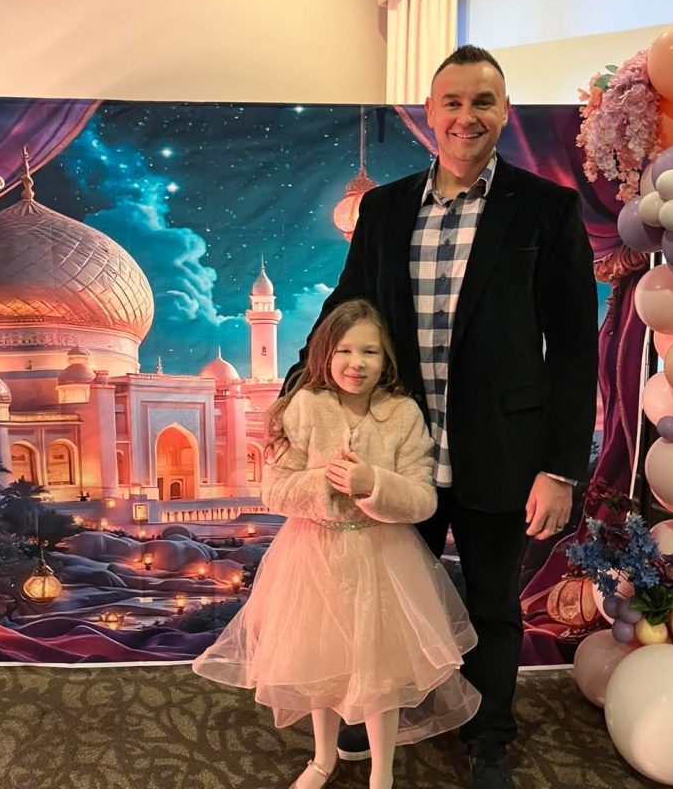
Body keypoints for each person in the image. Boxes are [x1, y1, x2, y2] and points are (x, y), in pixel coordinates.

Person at [285, 46, 599, 788]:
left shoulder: (546, 208)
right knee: (383, 604)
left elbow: (574, 348)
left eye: (482, 102)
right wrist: (296, 390)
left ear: (504, 111)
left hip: (502, 451)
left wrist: (559, 470)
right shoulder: (385, 209)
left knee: (491, 604)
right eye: (452, 102)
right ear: (429, 113)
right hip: (396, 457)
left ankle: (488, 738)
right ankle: (384, 716)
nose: (466, 117)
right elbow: (344, 307)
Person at [192, 298, 481, 789]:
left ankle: (381, 774)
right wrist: (322, 481)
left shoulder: (403, 414)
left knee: (381, 673)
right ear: (326, 354)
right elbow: (275, 489)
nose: (356, 363)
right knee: (319, 661)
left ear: (386, 359)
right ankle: (323, 758)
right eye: (345, 350)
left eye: (369, 351)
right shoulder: (305, 408)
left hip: (383, 557)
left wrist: (373, 484)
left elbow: (423, 499)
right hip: (313, 555)